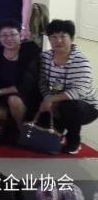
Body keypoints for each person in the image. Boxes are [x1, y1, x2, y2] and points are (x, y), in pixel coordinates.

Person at [38, 20, 98, 154]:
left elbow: (79, 91)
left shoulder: (81, 62)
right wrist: (48, 98)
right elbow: (41, 82)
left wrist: (51, 100)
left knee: (70, 107)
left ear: (71, 39)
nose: (58, 40)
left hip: (84, 105)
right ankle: (57, 132)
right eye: (54, 37)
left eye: (63, 36)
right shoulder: (44, 58)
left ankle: (73, 142)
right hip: (54, 100)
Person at [0, 20, 41, 132]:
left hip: (27, 94)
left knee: (14, 100)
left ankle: (23, 133)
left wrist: (0, 91)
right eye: (4, 35)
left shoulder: (30, 49)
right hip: (3, 94)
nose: (9, 38)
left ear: (20, 35)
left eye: (13, 34)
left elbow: (28, 82)